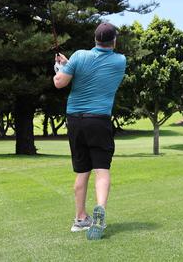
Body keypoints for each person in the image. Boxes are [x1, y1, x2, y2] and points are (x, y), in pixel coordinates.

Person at [53, 22, 127, 241]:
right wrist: (70, 66)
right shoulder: (120, 61)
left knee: (81, 171)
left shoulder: (78, 56)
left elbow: (60, 83)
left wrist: (62, 67)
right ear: (113, 41)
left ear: (95, 39)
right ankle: (99, 211)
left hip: (75, 120)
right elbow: (96, 72)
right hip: (99, 120)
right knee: (101, 170)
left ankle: (79, 218)